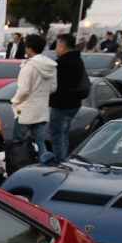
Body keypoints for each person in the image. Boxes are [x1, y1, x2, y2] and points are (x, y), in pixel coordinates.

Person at [10, 34, 56, 161]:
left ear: (29, 48)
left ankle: (18, 165)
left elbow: (24, 90)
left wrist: (15, 101)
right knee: (41, 142)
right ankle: (43, 166)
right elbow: (53, 88)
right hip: (42, 109)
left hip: (25, 110)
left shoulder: (29, 66)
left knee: (18, 142)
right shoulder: (51, 66)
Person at [47, 33, 89, 164]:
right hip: (74, 104)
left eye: (57, 45)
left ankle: (60, 161)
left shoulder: (62, 64)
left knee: (57, 134)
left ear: (62, 45)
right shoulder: (78, 60)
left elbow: (56, 86)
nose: (56, 49)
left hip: (61, 104)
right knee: (63, 133)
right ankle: (63, 158)